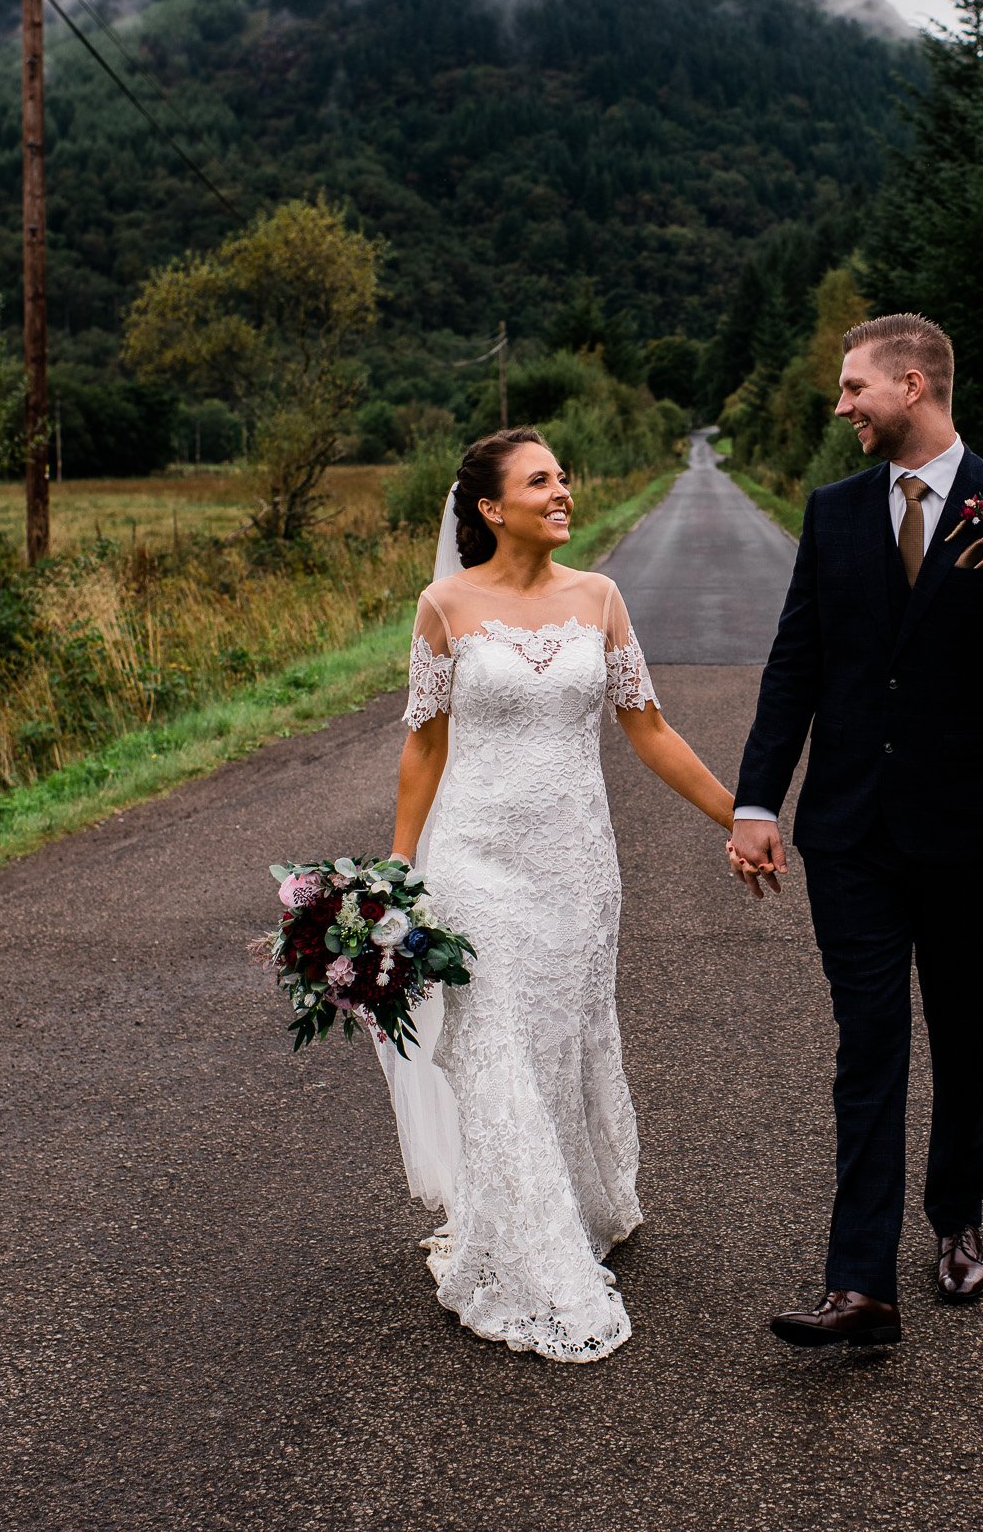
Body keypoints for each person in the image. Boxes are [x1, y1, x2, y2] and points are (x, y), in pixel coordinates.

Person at [727, 313, 983, 1348]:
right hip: (849, 832)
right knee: (869, 1042)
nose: (841, 406)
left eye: (854, 388)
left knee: (963, 1033)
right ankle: (859, 1282)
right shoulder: (832, 513)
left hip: (971, 831)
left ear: (913, 384)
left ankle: (957, 1214)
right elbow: (795, 664)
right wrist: (758, 800)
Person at [385, 426, 738, 1362]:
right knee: (498, 1038)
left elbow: (649, 727)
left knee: (561, 1035)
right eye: (540, 481)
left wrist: (736, 815)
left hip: (576, 864)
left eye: (564, 477)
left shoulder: (602, 597)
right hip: (475, 861)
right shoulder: (444, 605)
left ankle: (570, 1201)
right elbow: (424, 743)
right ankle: (532, 1256)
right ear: (492, 509)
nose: (562, 491)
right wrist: (398, 871)